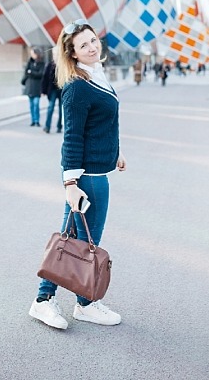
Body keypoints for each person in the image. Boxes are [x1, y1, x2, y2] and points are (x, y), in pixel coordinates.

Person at [29, 19, 127, 330]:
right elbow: (72, 137)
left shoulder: (96, 76)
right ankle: (84, 304)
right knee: (85, 243)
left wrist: (116, 153)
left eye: (93, 40)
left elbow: (102, 124)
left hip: (96, 171)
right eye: (83, 45)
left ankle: (45, 300)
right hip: (87, 178)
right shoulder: (76, 88)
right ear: (72, 53)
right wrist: (70, 183)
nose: (92, 46)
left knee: (69, 241)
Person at [22, 47, 45, 126]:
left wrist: (31, 72)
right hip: (30, 87)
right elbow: (26, 72)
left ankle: (37, 120)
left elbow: (41, 74)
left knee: (36, 104)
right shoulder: (29, 62)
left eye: (33, 53)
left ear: (36, 54)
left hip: (37, 87)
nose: (32, 55)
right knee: (31, 105)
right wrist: (33, 73)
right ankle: (33, 120)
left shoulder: (42, 63)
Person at [40, 58, 62, 133]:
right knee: (50, 107)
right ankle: (47, 126)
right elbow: (45, 77)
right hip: (52, 90)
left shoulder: (64, 64)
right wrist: (43, 90)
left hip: (62, 90)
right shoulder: (50, 65)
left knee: (61, 109)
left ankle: (59, 126)